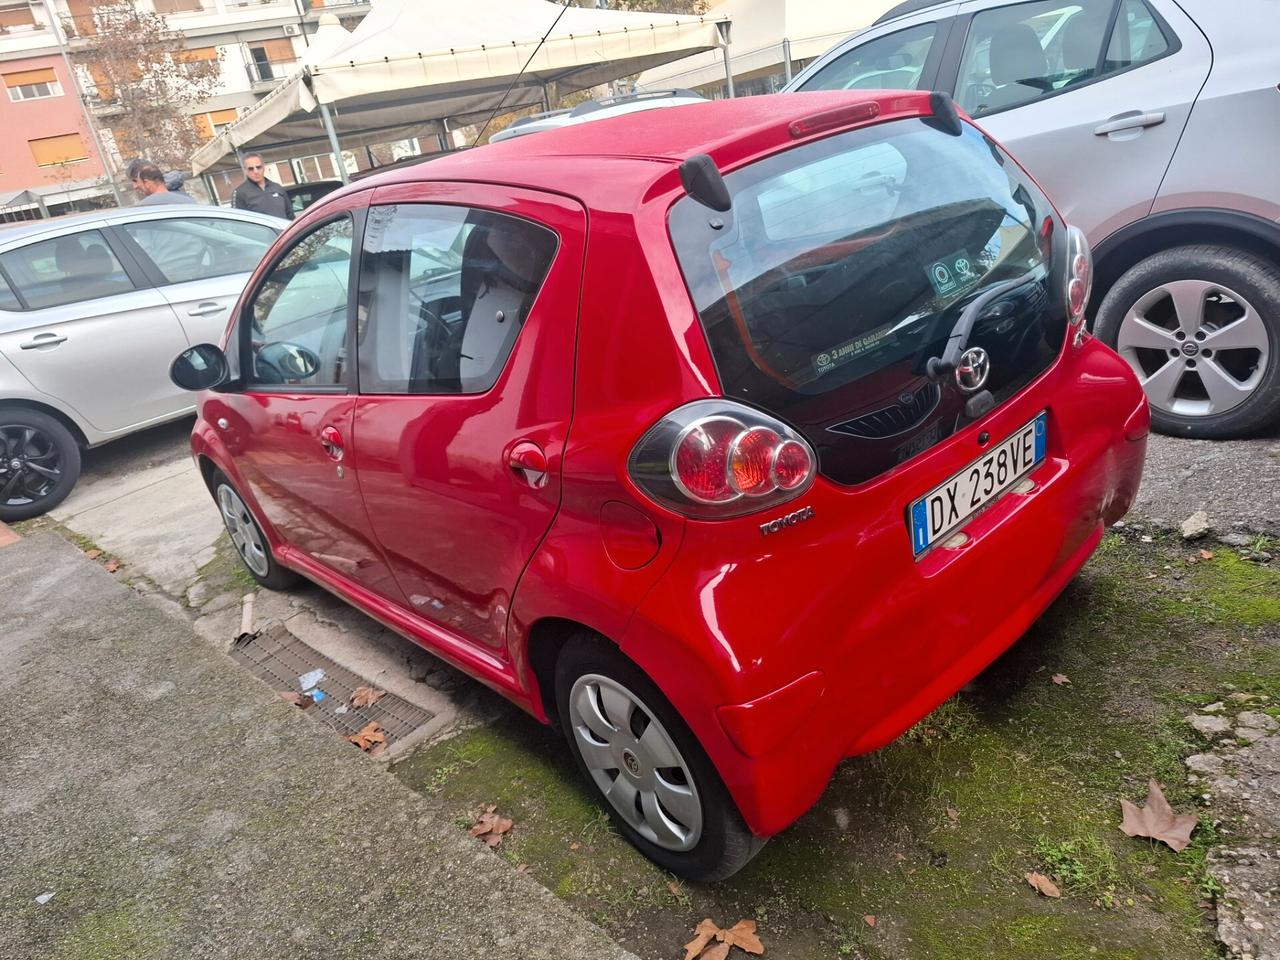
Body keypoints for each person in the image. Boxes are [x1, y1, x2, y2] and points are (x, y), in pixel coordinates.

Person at [231, 153, 293, 221]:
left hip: (285, 230)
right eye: (251, 169)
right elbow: (238, 222)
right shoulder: (240, 193)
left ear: (264, 167)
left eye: (258, 167)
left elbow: (290, 216)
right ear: (245, 170)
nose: (256, 171)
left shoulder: (277, 188)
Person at [131, 162, 197, 206]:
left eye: (137, 182)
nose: (135, 186)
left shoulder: (145, 207)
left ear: (147, 183)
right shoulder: (188, 201)